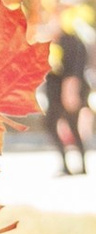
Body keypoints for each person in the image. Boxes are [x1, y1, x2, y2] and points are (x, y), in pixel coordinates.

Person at [46, 20, 88, 180]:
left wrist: (70, 92)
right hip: (60, 89)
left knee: (66, 124)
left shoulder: (70, 41)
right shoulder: (57, 42)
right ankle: (74, 164)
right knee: (69, 125)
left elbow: (73, 71)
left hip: (64, 90)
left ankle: (75, 165)